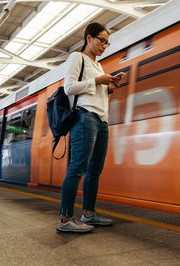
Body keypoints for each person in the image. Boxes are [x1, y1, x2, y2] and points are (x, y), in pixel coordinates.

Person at [57, 23, 121, 233]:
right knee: (77, 168)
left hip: (102, 120)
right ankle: (65, 220)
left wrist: (108, 88)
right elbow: (69, 88)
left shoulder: (99, 66)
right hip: (85, 117)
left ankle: (89, 214)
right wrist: (97, 80)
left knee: (95, 170)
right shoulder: (77, 58)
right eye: (101, 40)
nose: (105, 45)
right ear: (88, 38)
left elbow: (94, 91)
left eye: (107, 42)